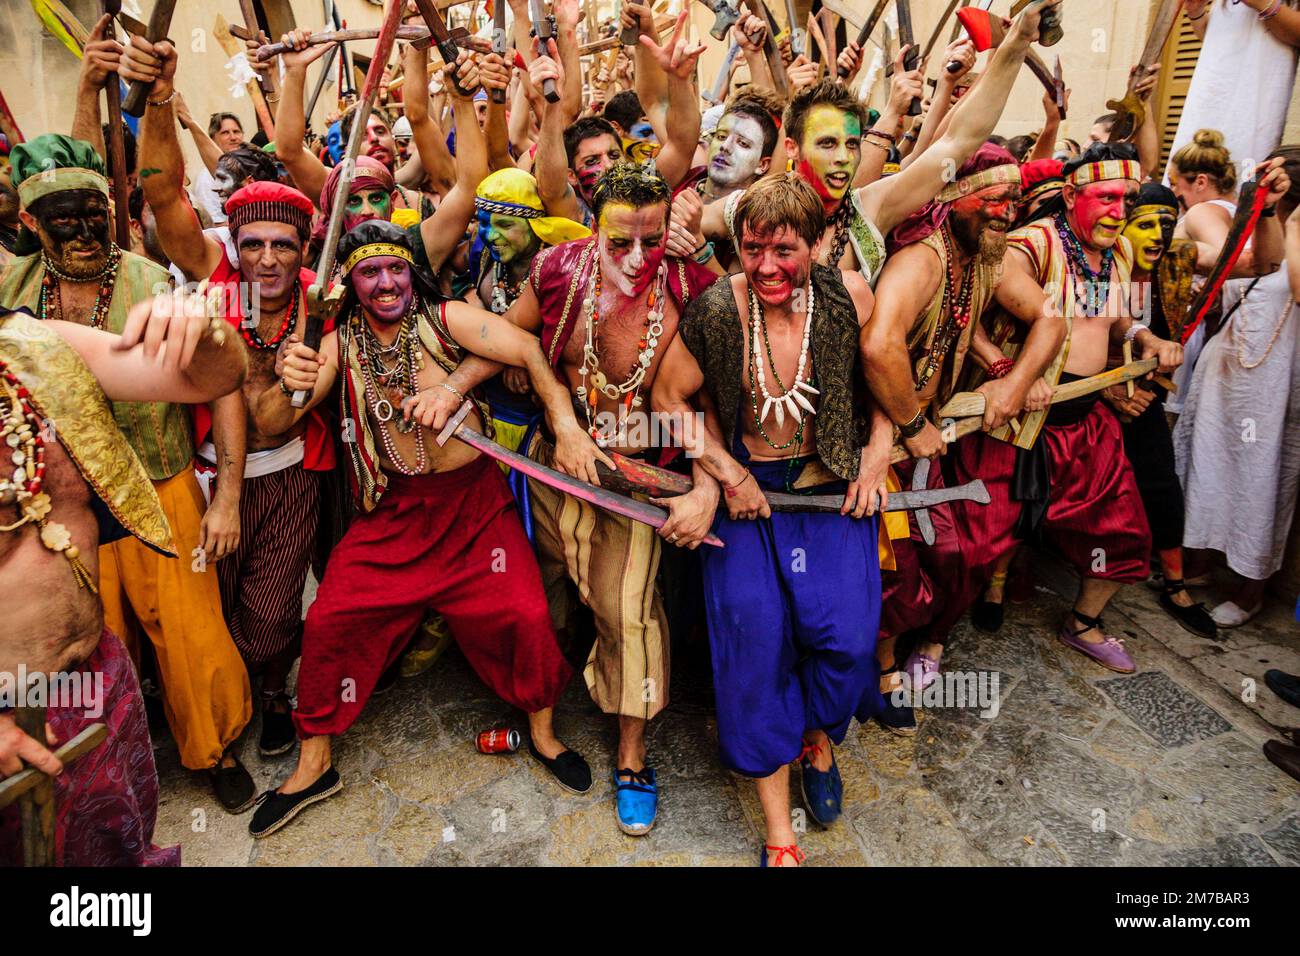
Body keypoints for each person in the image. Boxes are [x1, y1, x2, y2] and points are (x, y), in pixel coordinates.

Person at [244, 221, 604, 837]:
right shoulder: (337, 342)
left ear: (412, 271)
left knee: (523, 613)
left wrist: (563, 425)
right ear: (351, 284)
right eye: (369, 273)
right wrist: (290, 379)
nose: (386, 283)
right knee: (330, 619)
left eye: (396, 269)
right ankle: (314, 764)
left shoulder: (443, 319)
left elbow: (524, 348)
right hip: (393, 512)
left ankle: (543, 735)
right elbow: (275, 421)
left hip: (474, 511)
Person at [0, 134, 256, 810]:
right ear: (28, 221)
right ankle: (115, 766)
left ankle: (215, 749)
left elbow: (222, 380)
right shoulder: (15, 295)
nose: (85, 232)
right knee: (94, 649)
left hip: (163, 484)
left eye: (97, 214)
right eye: (63, 218)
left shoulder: (151, 278)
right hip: (65, 515)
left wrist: (226, 495)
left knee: (194, 635)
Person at [652, 174, 894, 865]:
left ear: (818, 245)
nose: (764, 267)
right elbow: (670, 396)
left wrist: (877, 454)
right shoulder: (718, 310)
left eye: (783, 251)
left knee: (846, 641)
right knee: (754, 643)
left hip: (828, 488)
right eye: (752, 248)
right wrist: (725, 472)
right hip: (749, 496)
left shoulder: (850, 297)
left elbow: (882, 385)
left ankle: (815, 738)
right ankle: (779, 832)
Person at [124, 32, 336, 759]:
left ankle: (274, 692)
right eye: (254, 245)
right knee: (208, 613)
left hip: (289, 479)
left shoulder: (322, 301)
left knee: (273, 617)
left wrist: (310, 374)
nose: (267, 259)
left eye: (283, 244)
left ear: (304, 250)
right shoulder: (215, 276)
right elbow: (158, 190)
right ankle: (231, 703)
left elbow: (285, 410)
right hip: (204, 478)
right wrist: (159, 102)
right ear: (234, 245)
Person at [0, 286, 249, 864]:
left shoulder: (30, 346)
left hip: (95, 677)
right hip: (10, 733)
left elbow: (212, 378)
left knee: (121, 860)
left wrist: (201, 330)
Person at [945, 143, 1184, 676]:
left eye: (1126, 199)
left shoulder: (1118, 250)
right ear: (1073, 195)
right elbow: (965, 313)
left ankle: (1082, 622)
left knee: (1122, 532)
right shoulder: (1029, 245)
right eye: (1104, 198)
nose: (1118, 212)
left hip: (1086, 415)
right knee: (978, 536)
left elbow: (1119, 319)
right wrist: (1010, 374)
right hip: (1016, 416)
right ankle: (938, 633)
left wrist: (1146, 338)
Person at [857, 143, 1062, 724]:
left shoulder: (984, 262)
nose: (1007, 211)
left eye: (1015, 200)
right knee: (894, 564)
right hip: (884, 441)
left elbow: (1050, 317)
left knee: (943, 554)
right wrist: (914, 423)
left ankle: (903, 651)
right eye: (995, 199)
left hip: (925, 445)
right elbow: (878, 344)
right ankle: (881, 669)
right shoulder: (921, 260)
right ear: (952, 197)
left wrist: (1013, 383)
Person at [700, 0, 1062, 287]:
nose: (843, 158)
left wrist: (1016, 44)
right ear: (791, 148)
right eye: (827, 144)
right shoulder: (746, 207)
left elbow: (958, 141)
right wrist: (706, 259)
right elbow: (666, 237)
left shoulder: (872, 209)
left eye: (852, 144)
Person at [1173, 148, 1298, 627]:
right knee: (1209, 467)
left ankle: (1251, 590)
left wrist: (1292, 219)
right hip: (1226, 367)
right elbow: (1229, 269)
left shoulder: (1295, 231)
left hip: (1275, 379)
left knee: (1262, 478)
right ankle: (1201, 561)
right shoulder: (1245, 228)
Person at [1106, 182, 1217, 639]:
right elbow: (1073, 345)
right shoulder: (1100, 269)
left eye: (1167, 225)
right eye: (1145, 224)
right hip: (1090, 398)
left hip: (1147, 397)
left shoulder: (1171, 264)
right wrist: (1112, 394)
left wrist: (1265, 211)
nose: (1157, 235)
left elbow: (1251, 261)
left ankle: (1174, 583)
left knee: (1160, 485)